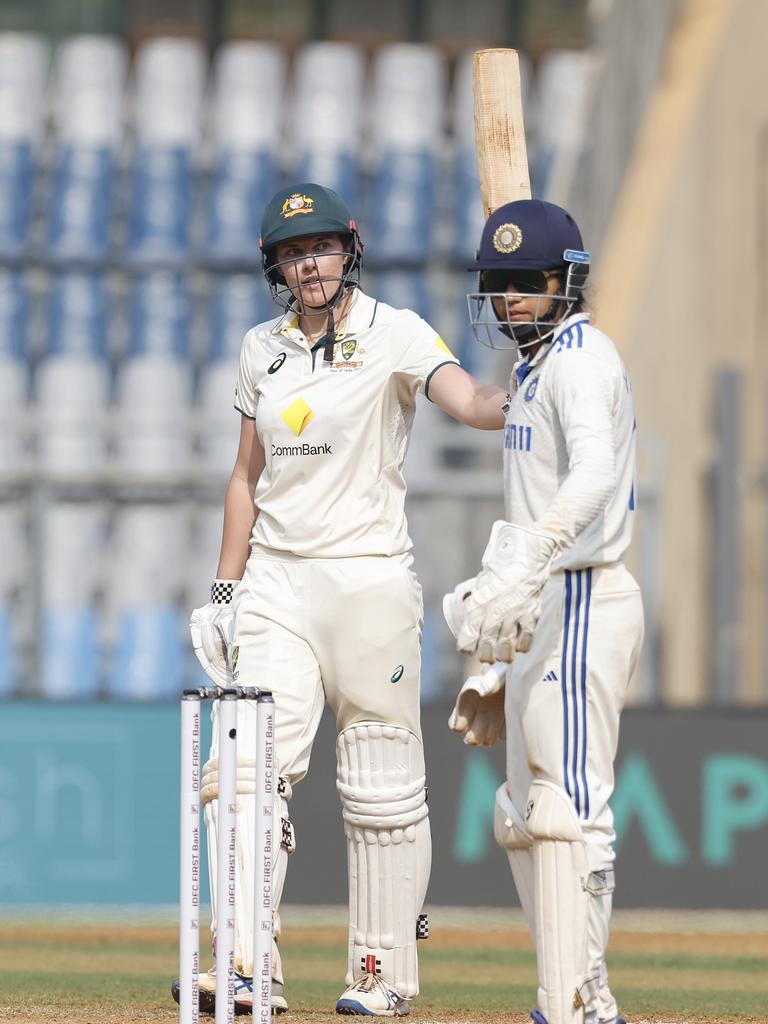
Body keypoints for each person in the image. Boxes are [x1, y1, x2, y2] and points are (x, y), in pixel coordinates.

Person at [173, 182, 507, 1017]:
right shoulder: (261, 347)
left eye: (317, 247)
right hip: (278, 583)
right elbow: (246, 478)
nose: (306, 263)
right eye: (290, 254)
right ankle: (248, 965)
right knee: (244, 770)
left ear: (348, 248)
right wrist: (224, 588)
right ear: (275, 268)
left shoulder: (394, 330)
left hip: (369, 579)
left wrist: (520, 390)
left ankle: (382, 970)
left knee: (382, 787)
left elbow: (468, 402)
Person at [443, 198, 644, 1024]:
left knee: (570, 808)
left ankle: (583, 997)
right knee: (522, 816)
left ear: (568, 280)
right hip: (542, 601)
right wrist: (498, 656)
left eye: (529, 282)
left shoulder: (580, 361)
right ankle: (564, 989)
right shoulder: (533, 368)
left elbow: (594, 473)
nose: (513, 299)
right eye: (500, 283)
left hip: (585, 593)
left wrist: (536, 549)